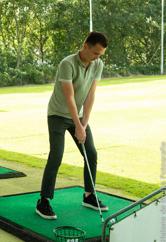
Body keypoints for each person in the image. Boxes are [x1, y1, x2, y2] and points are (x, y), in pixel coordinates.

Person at [36, 31, 109, 220]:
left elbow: (91, 95)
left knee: (91, 153)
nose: (97, 57)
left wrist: (84, 124)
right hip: (58, 115)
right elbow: (69, 97)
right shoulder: (67, 64)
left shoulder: (97, 64)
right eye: (95, 53)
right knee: (56, 155)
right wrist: (78, 126)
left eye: (100, 54)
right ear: (85, 47)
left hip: (80, 117)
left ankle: (89, 195)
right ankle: (43, 200)